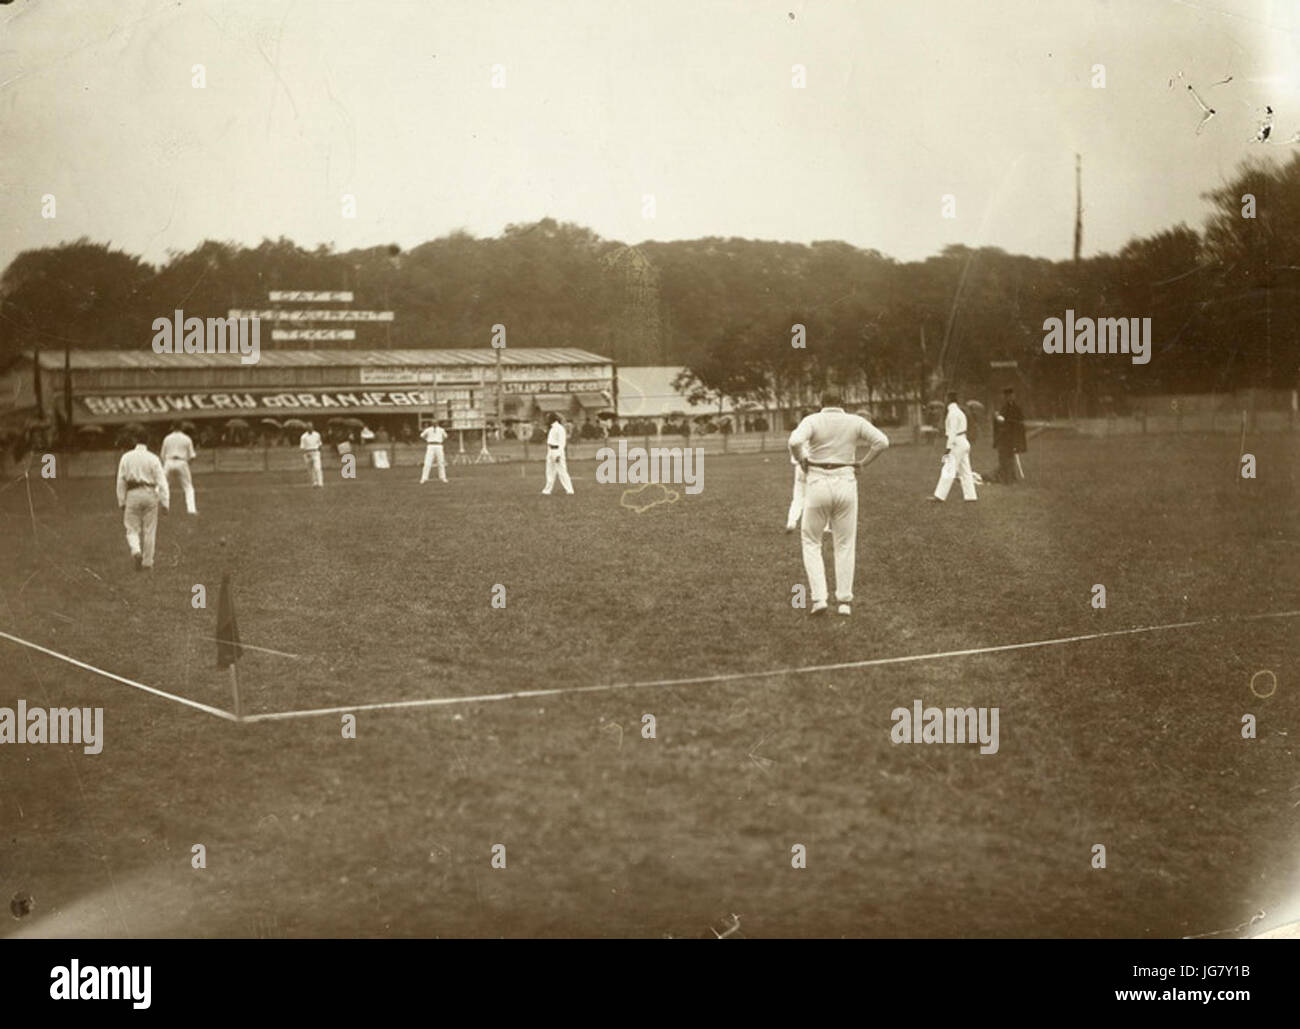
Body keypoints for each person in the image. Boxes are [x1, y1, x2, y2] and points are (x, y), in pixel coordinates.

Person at [788, 390, 890, 616]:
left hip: (817, 482)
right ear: (843, 402)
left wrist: (801, 459)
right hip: (846, 481)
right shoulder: (855, 421)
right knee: (845, 543)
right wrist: (863, 462)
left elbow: (794, 441)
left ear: (820, 402)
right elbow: (882, 442)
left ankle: (819, 599)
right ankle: (844, 602)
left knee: (811, 541)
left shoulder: (812, 420)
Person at [116, 431, 170, 571]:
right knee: (150, 530)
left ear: (135, 440)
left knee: (131, 528)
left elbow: (121, 480)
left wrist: (121, 500)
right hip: (150, 494)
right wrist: (165, 502)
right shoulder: (153, 458)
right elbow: (162, 482)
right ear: (148, 441)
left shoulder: (126, 457)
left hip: (132, 493)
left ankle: (136, 551)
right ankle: (147, 563)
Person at [930, 390, 977, 503]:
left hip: (957, 443)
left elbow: (952, 433)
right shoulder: (959, 412)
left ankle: (939, 496)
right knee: (965, 470)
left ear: (948, 400)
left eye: (946, 399)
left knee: (948, 469)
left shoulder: (952, 414)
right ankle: (971, 496)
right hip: (964, 442)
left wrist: (948, 449)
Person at [160, 421, 198, 515]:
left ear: (172, 427)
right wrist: (187, 464)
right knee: (188, 487)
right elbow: (192, 456)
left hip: (169, 461)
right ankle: (191, 510)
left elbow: (162, 455)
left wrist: (166, 463)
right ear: (182, 427)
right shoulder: (186, 438)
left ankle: (164, 506)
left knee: (164, 485)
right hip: (182, 461)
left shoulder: (167, 438)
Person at [993, 386, 1027, 485]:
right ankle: (1005, 476)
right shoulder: (1004, 407)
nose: (1009, 397)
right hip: (1004, 436)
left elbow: (1019, 421)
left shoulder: (1016, 408)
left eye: (1011, 395)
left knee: (1009, 457)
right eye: (1007, 396)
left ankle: (1010, 477)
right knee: (1004, 457)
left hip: (1012, 436)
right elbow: (1001, 422)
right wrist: (998, 418)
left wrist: (1003, 420)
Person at [541, 412, 574, 495]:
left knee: (562, 471)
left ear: (552, 419)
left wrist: (559, 454)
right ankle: (547, 490)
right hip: (551, 450)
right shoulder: (552, 428)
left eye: (548, 418)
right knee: (549, 472)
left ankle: (569, 489)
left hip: (557, 450)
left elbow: (562, 442)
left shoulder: (559, 428)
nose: (546, 420)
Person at [300, 421, 323, 487]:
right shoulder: (303, 436)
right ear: (306, 428)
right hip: (307, 453)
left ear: (313, 427)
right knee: (310, 469)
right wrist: (306, 453)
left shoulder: (317, 434)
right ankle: (314, 482)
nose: (310, 428)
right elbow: (302, 447)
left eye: (311, 427)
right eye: (308, 427)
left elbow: (320, 444)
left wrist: (319, 452)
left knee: (318, 468)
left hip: (315, 452)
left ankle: (320, 483)